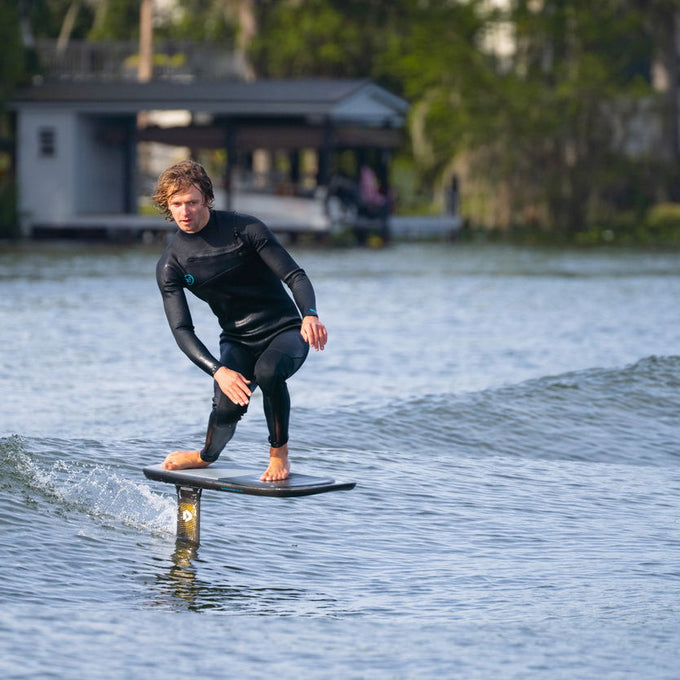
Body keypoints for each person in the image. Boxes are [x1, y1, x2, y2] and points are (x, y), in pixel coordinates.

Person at [152, 160, 327, 482]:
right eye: (176, 204)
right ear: (167, 205)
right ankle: (205, 457)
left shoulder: (245, 229)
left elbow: (295, 276)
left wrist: (310, 316)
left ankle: (279, 454)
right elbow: (181, 329)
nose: (185, 211)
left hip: (285, 330)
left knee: (269, 372)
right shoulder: (171, 264)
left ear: (207, 199)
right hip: (237, 340)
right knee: (226, 408)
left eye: (192, 202)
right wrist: (218, 370)